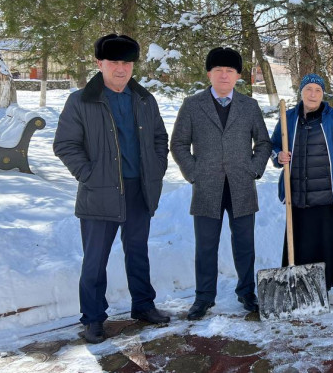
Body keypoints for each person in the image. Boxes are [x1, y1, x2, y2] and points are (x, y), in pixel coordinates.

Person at [53, 34, 170, 344]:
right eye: (115, 62)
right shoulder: (81, 100)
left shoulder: (145, 99)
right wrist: (89, 174)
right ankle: (93, 318)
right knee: (95, 259)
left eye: (127, 62)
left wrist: (156, 167)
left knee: (138, 252)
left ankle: (143, 305)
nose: (122, 69)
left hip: (138, 189)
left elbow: (160, 138)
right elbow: (65, 144)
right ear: (99, 63)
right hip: (100, 190)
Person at [170, 47, 271, 319]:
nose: (224, 76)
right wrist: (194, 172)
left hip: (241, 186)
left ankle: (246, 292)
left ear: (238, 75)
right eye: (218, 71)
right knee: (206, 246)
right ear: (209, 74)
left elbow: (263, 142)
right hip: (207, 187)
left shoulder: (249, 106)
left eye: (229, 71)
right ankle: (204, 297)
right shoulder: (193, 105)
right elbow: (178, 144)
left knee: (244, 245)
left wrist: (253, 169)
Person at [270, 74, 333, 291]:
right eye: (308, 89)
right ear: (301, 92)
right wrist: (279, 156)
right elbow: (272, 146)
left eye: (318, 90)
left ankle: (322, 287)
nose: (313, 94)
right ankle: (297, 286)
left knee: (323, 242)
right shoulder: (288, 117)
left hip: (327, 196)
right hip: (296, 194)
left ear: (323, 94)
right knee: (299, 242)